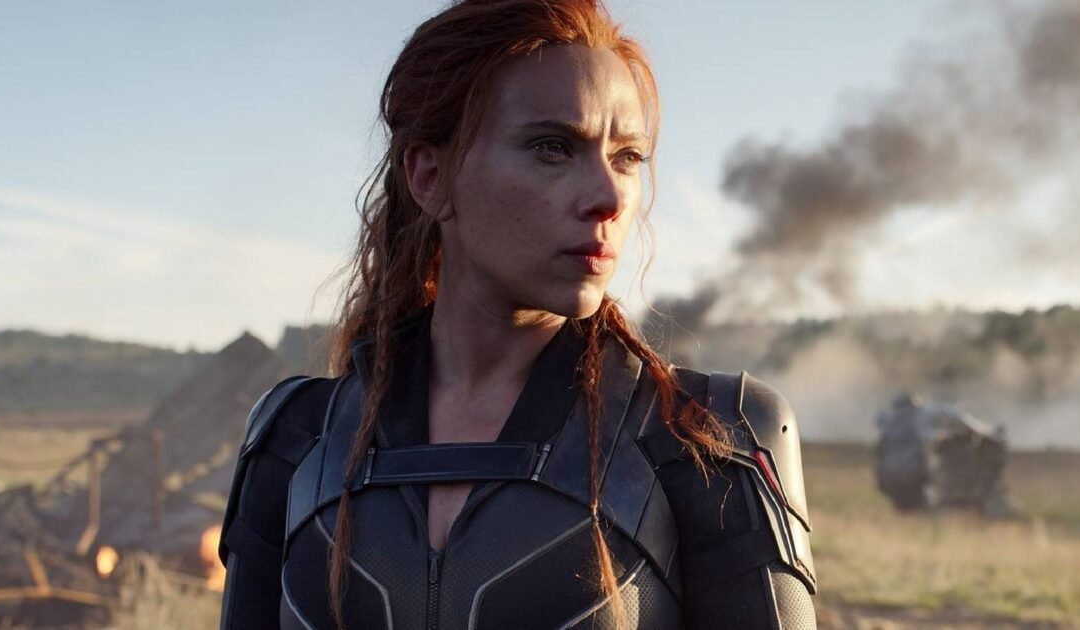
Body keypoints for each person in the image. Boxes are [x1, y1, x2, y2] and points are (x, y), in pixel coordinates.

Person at [218, 1, 817, 628]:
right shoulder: (296, 439)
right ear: (430, 176)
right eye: (553, 147)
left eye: (627, 157)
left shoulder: (707, 439)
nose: (609, 196)